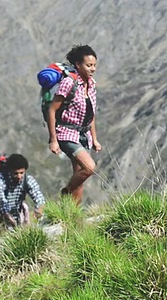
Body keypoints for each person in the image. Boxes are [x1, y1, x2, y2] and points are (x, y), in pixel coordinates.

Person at [47, 44, 102, 206]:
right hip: (66, 133)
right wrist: (53, 140)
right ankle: (65, 192)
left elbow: (90, 114)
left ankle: (73, 215)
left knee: (80, 176)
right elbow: (52, 110)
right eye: (88, 65)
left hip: (84, 135)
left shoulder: (91, 85)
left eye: (94, 65)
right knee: (89, 168)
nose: (92, 69)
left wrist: (95, 139)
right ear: (78, 64)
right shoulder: (69, 83)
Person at [0, 154, 45, 249]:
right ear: (10, 171)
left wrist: (40, 207)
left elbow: (37, 195)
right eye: (16, 173)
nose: (19, 176)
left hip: (17, 214)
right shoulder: (0, 180)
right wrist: (7, 216)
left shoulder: (28, 180)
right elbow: (1, 199)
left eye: (22, 173)